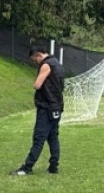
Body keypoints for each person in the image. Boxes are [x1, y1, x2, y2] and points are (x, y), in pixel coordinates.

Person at [11, 46, 65, 176]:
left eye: (34, 59)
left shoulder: (46, 65)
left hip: (46, 107)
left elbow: (37, 85)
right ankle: (53, 166)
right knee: (53, 136)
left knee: (39, 138)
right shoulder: (57, 63)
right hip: (57, 106)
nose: (35, 62)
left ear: (38, 55)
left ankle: (27, 167)